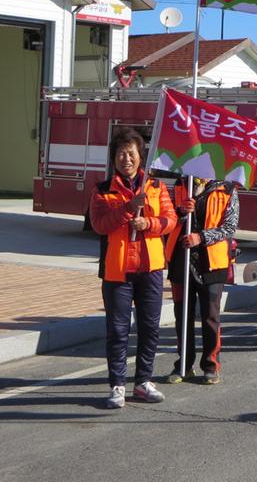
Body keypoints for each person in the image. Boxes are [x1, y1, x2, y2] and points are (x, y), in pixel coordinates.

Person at [89, 127, 177, 409]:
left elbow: (170, 220)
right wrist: (128, 208)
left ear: (141, 157)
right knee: (117, 330)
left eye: (131, 153)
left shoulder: (156, 186)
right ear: (114, 158)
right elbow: (100, 225)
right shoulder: (102, 190)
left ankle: (142, 382)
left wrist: (148, 224)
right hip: (117, 271)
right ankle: (117, 385)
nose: (126, 159)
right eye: (120, 154)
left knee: (150, 327)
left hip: (150, 268)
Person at [165, 177, 238, 384]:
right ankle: (183, 365)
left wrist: (202, 237)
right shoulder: (180, 185)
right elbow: (166, 220)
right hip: (181, 259)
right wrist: (180, 212)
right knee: (182, 315)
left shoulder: (228, 189)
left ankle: (211, 365)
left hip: (213, 262)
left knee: (211, 316)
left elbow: (230, 227)